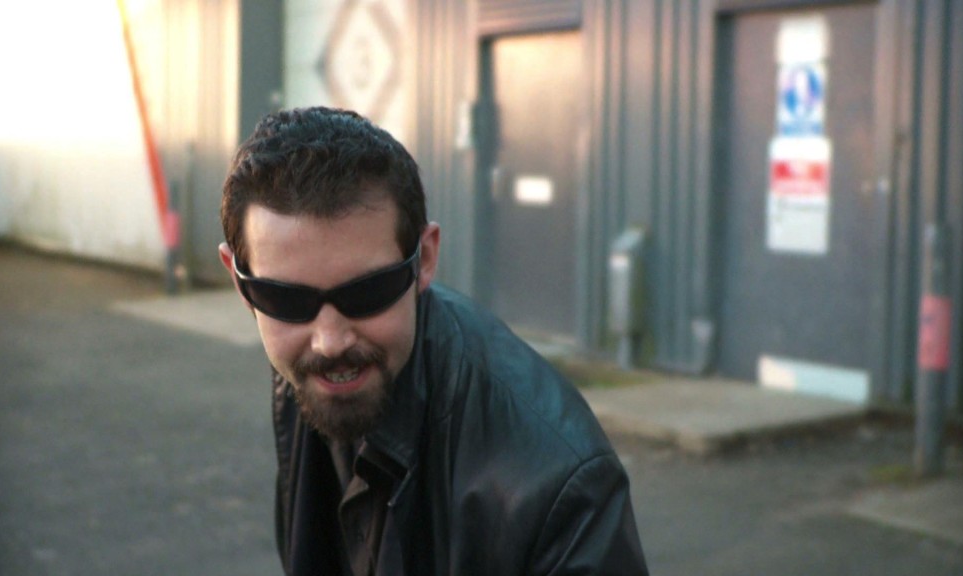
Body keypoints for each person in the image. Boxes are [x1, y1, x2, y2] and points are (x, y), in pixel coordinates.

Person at [218, 106, 648, 576]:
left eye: (367, 292)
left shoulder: (558, 483)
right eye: (285, 299)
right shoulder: (309, 372)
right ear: (241, 284)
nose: (329, 341)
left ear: (424, 258)